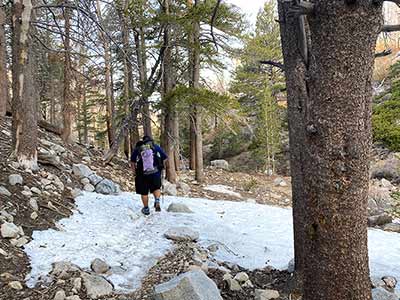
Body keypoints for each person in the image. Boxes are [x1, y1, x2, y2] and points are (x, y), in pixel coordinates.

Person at [130, 136, 168, 215]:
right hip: (155, 172)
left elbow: (132, 161)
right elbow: (165, 158)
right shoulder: (156, 147)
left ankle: (146, 208)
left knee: (144, 192)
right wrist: (162, 167)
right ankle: (157, 201)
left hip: (142, 174)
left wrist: (134, 172)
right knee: (156, 188)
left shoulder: (139, 148)